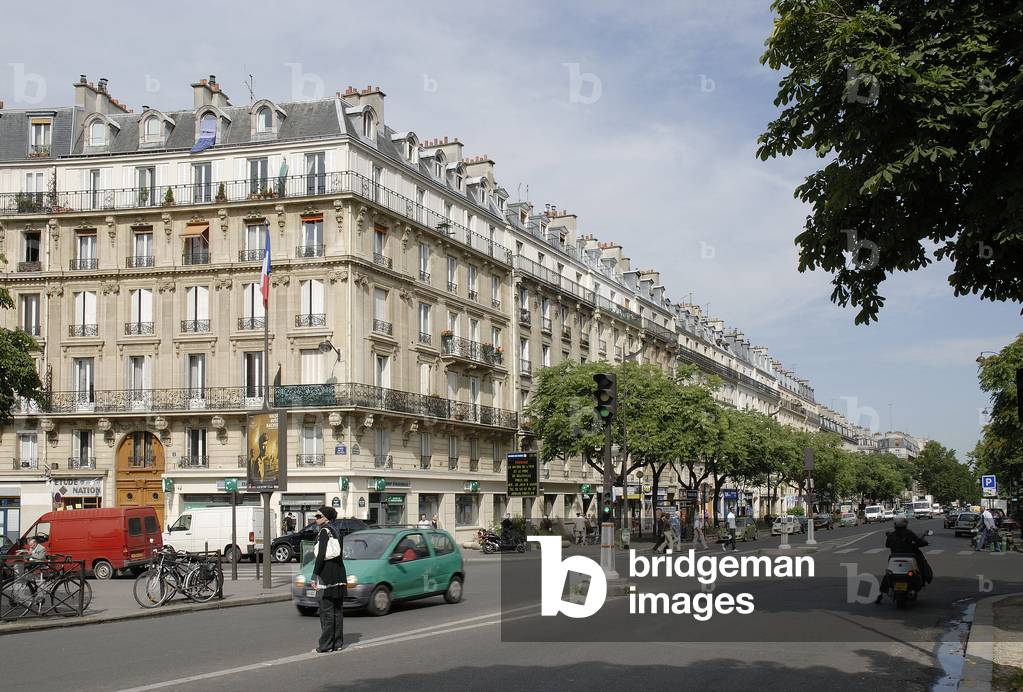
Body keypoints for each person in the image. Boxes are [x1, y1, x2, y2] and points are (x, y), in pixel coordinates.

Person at [309, 505, 346, 654]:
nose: (316, 519)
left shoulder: (324, 531)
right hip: (339, 572)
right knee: (337, 610)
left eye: (318, 516)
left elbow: (321, 555)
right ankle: (337, 643)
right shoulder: (336, 530)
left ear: (326, 518)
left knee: (326, 611)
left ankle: (325, 645)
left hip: (327, 574)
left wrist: (314, 574)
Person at [877, 516, 933, 601]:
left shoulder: (892, 535)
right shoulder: (909, 533)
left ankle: (880, 592)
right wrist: (923, 543)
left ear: (895, 525)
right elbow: (919, 542)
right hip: (909, 557)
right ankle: (925, 577)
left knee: (889, 573)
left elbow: (887, 545)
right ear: (905, 524)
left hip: (894, 558)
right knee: (921, 565)